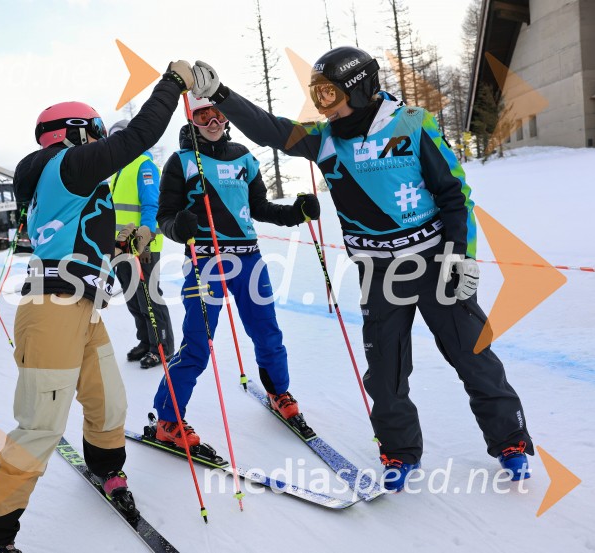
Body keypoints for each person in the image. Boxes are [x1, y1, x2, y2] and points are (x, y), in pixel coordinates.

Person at [188, 47, 533, 490]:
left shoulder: (411, 123)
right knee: (386, 368)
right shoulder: (326, 140)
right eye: (318, 95)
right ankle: (399, 451)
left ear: (361, 87)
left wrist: (461, 253)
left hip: (433, 262)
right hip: (379, 271)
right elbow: (272, 131)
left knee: (473, 356)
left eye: (331, 93)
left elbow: (454, 193)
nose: (325, 105)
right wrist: (221, 94)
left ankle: (511, 441)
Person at [0, 62, 195, 553]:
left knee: (109, 403)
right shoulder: (66, 164)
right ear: (77, 131)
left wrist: (125, 239)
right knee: (40, 427)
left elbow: (74, 238)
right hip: (53, 312)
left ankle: (108, 471)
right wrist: (173, 83)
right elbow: (139, 137)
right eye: (96, 132)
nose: (100, 141)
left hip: (79, 308)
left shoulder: (55, 178)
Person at [150, 94, 321, 448]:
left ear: (226, 118)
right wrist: (178, 228)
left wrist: (295, 213)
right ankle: (168, 419)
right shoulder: (181, 161)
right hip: (206, 262)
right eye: (202, 117)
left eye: (217, 115)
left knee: (267, 332)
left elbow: (259, 207)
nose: (212, 122)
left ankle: (279, 393)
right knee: (197, 342)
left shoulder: (243, 156)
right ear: (192, 121)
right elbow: (164, 217)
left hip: (249, 259)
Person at [107, 119, 175, 369]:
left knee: (149, 296)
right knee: (132, 297)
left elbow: (151, 204)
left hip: (142, 246)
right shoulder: (116, 171)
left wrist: (144, 236)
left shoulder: (143, 165)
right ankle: (146, 342)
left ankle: (162, 347)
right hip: (120, 246)